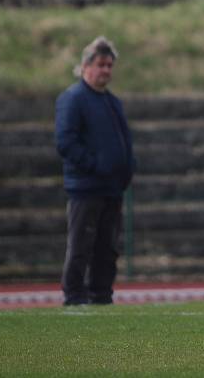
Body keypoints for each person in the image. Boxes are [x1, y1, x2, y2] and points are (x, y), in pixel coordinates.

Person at [55, 36, 135, 306]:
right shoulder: (73, 99)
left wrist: (126, 169)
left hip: (112, 188)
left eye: (110, 65)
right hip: (86, 188)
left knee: (107, 249)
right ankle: (74, 296)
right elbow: (66, 142)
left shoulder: (112, 101)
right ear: (86, 65)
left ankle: (101, 296)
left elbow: (124, 140)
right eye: (101, 64)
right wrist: (95, 166)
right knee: (81, 246)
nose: (106, 71)